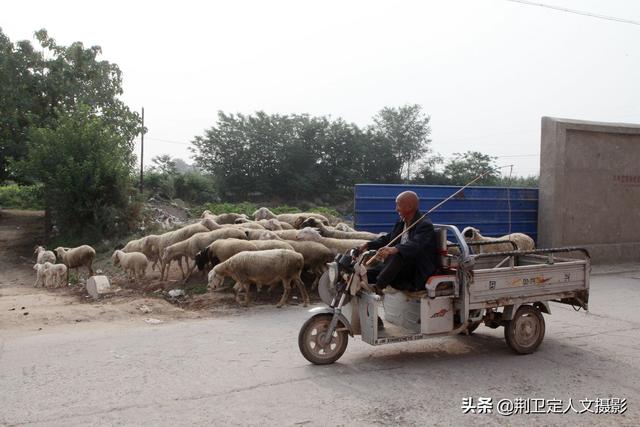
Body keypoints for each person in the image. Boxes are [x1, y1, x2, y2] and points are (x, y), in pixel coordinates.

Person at [359, 191, 438, 292]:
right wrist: (368, 245)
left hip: (416, 270)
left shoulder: (424, 225)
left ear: (409, 207)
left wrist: (394, 249)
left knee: (398, 254)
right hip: (399, 267)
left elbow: (415, 244)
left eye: (398, 205)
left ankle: (378, 287)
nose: (396, 209)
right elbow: (389, 239)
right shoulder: (401, 221)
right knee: (367, 274)